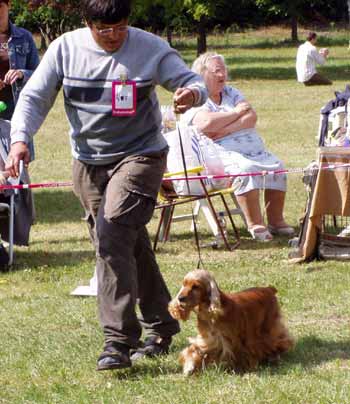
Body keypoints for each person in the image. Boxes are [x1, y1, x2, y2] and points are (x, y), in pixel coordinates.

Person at [5, 0, 207, 371]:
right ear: (87, 23)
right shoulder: (66, 49)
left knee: (112, 231)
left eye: (120, 27)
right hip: (88, 161)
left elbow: (191, 80)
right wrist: (19, 139)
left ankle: (118, 341)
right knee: (122, 241)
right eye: (104, 29)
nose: (114, 36)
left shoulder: (149, 47)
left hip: (141, 155)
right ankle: (162, 322)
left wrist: (191, 94)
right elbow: (34, 96)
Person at [182, 52, 293, 242]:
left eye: (223, 70)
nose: (222, 75)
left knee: (278, 165)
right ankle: (255, 223)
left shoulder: (231, 92)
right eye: (217, 71)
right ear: (202, 74)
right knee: (246, 170)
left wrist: (226, 129)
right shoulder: (196, 97)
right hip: (217, 155)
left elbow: (251, 116)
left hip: (249, 148)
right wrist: (236, 113)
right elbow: (206, 123)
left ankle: (276, 220)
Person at [0, 0, 39, 269]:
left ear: (7, 7)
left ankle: (17, 234)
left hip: (16, 118)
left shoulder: (24, 37)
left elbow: (42, 75)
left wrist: (22, 73)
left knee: (16, 175)